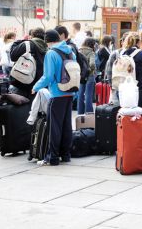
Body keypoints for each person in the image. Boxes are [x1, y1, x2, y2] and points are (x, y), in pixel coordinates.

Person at [32, 30, 76, 166]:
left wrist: (36, 87)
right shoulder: (70, 51)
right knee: (66, 125)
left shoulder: (51, 53)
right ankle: (66, 155)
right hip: (70, 91)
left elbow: (48, 76)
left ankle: (53, 157)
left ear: (48, 41)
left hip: (57, 93)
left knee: (54, 126)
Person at [10, 28, 48, 98]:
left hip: (24, 79)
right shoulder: (47, 47)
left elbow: (13, 57)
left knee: (21, 104)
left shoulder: (27, 44)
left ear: (32, 36)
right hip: (39, 82)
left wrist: (18, 42)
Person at [122, 33, 142, 112]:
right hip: (140, 88)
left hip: (125, 88)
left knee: (128, 114)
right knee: (141, 113)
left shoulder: (123, 54)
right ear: (139, 42)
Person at [77, 38, 96, 114]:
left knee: (80, 94)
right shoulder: (91, 53)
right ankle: (89, 114)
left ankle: (80, 113)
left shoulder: (78, 51)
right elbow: (92, 64)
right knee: (88, 95)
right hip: (89, 76)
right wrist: (90, 71)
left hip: (80, 75)